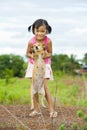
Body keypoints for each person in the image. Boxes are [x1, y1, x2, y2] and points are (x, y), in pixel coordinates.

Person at [25, 19, 57, 118]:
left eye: (42, 31)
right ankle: (36, 110)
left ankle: (52, 110)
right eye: (37, 31)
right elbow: (27, 53)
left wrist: (45, 55)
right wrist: (32, 56)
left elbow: (51, 53)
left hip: (45, 65)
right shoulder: (31, 41)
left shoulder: (48, 41)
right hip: (33, 65)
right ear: (34, 30)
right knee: (34, 86)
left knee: (44, 86)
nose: (39, 33)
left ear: (46, 31)